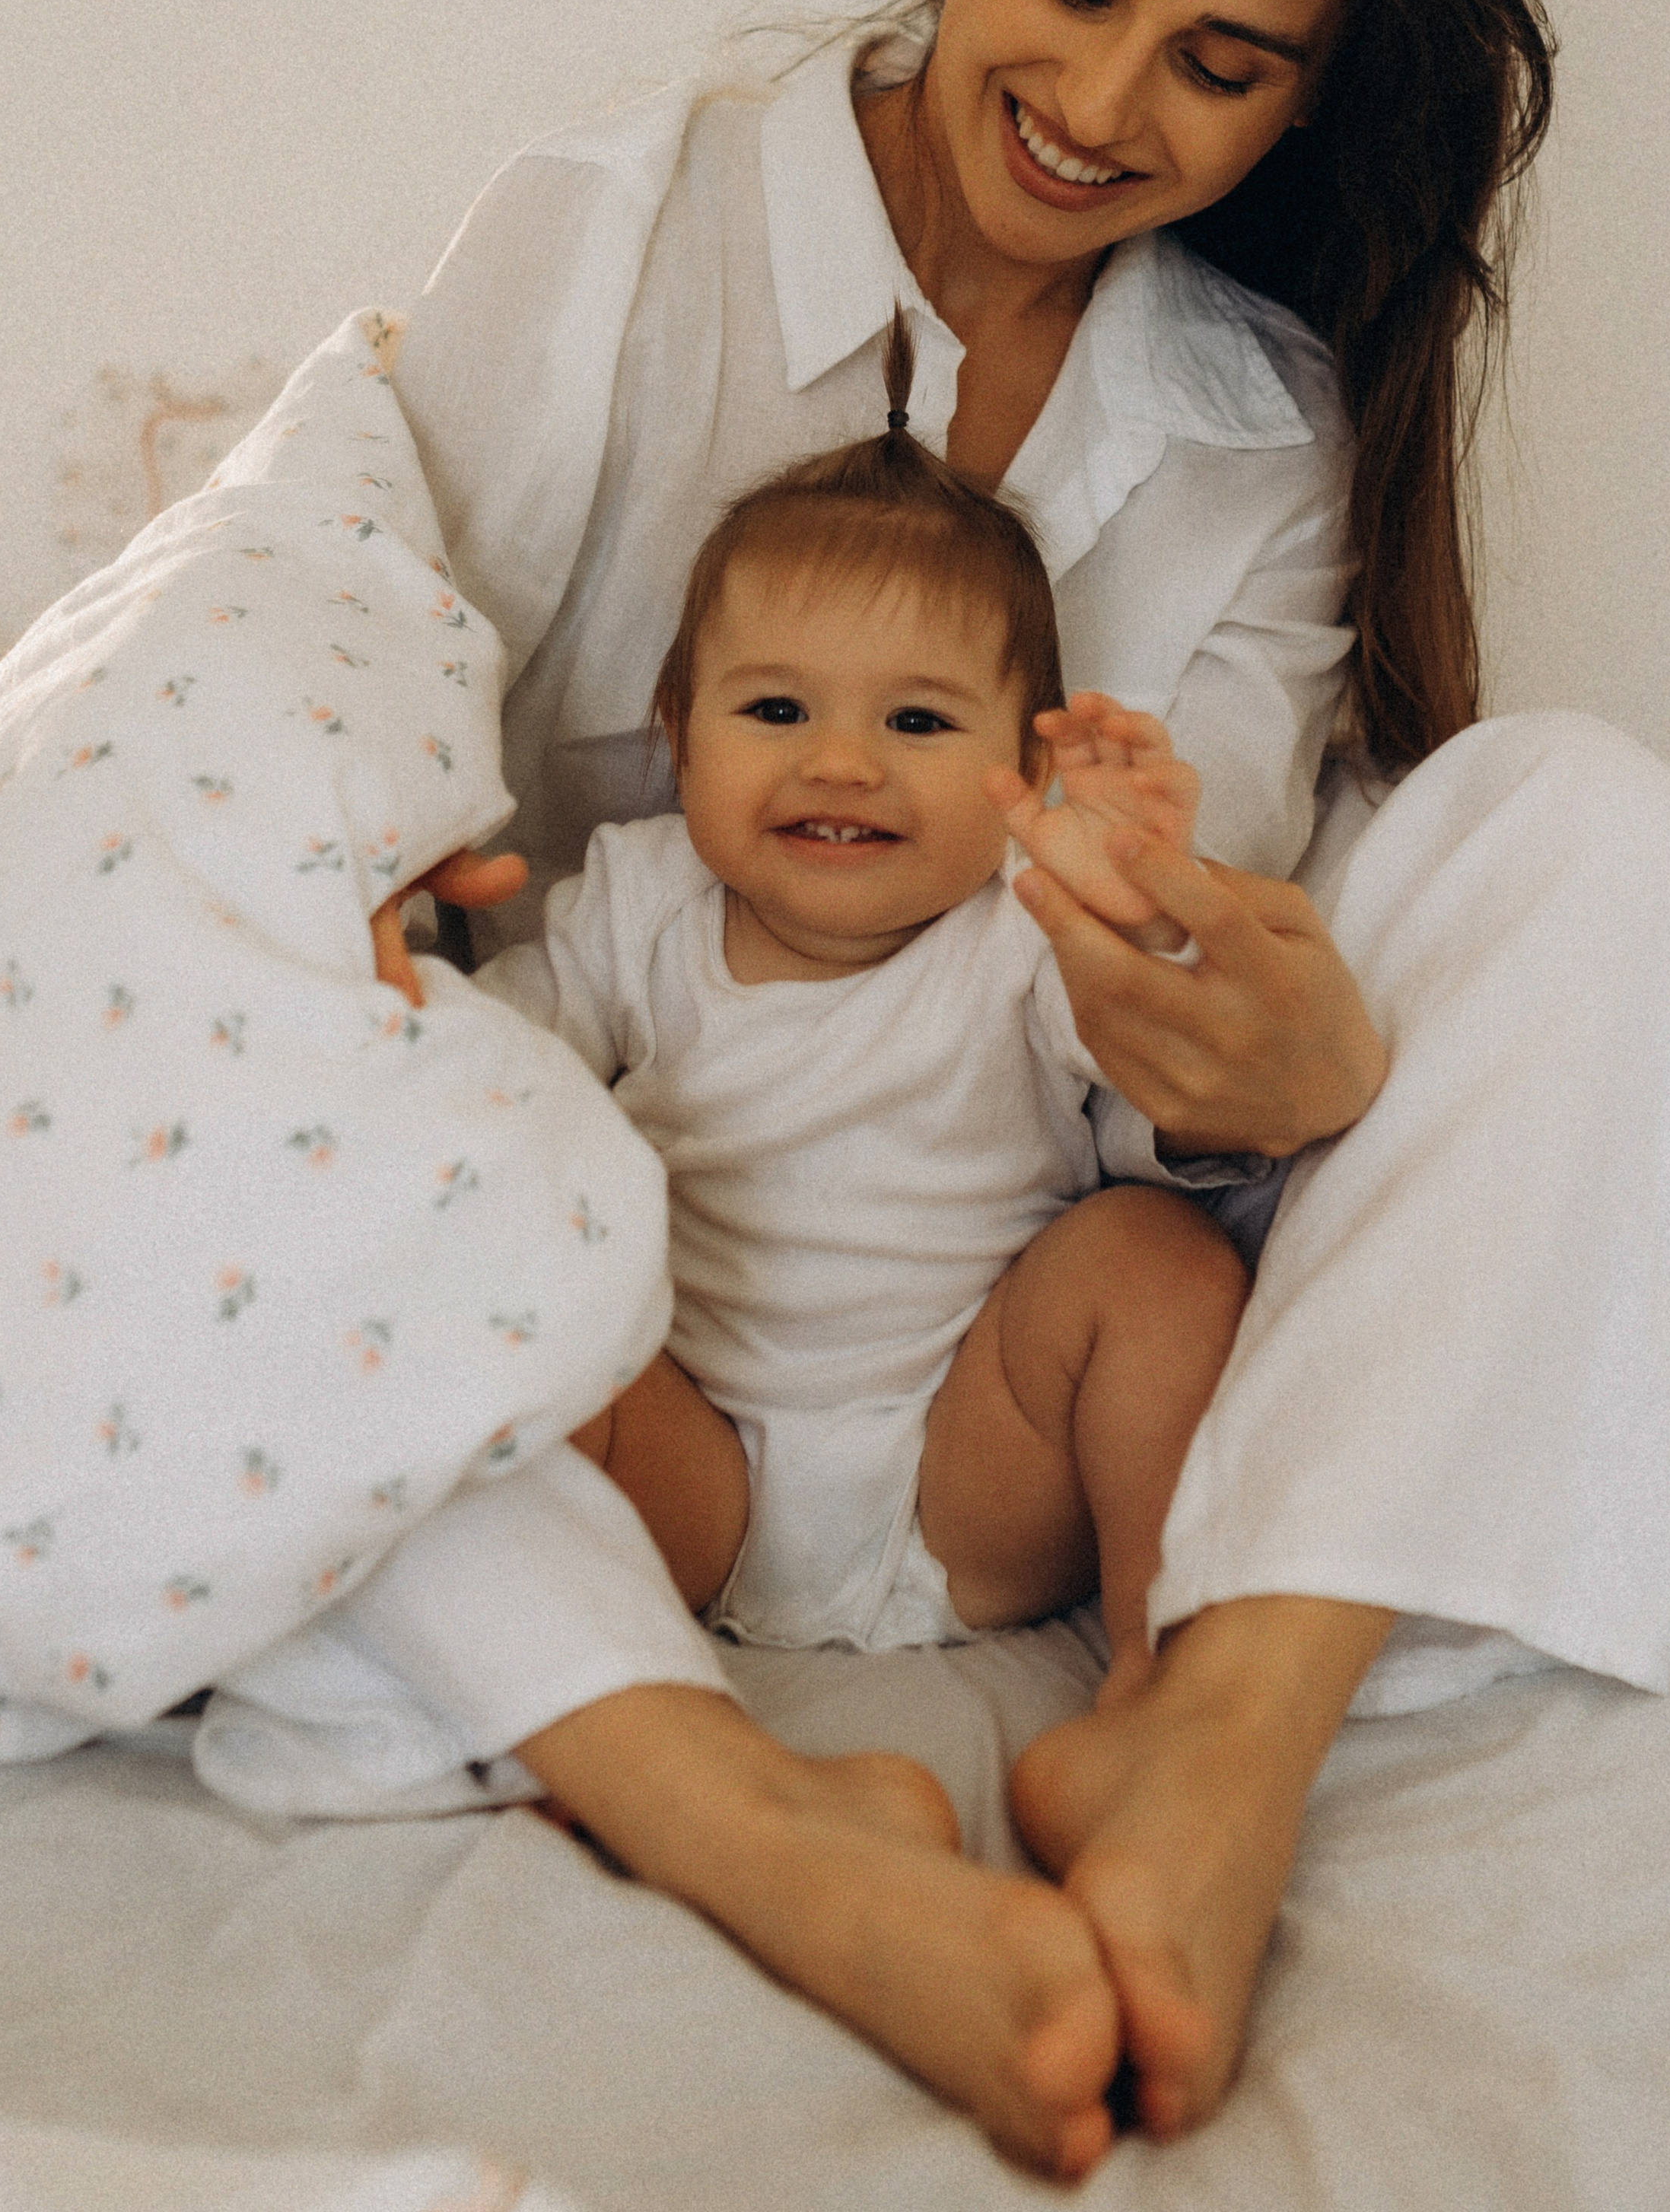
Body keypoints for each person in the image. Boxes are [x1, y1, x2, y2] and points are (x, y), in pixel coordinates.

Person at [379, 0, 1670, 2179]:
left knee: (1587, 820)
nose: (1105, 103)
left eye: (1225, 62)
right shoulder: (610, 234)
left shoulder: (1259, 419)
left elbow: (1154, 1033)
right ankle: (734, 1815)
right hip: (600, 1229)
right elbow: (376, 710)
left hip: (1015, 1264)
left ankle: (1224, 1708)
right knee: (285, 1163)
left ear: (1312, 99)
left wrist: (1289, 1067)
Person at [466, 345, 1250, 1691]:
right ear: (681, 733)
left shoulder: (1026, 927)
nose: (843, 762)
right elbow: (476, 1079)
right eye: (775, 709)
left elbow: (1176, 1074)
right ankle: (568, 1676)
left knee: (1159, 1265)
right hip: (688, 1462)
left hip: (975, 1468)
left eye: (919, 722)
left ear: (1027, 767)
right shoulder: (635, 904)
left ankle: (1158, 1665)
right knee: (494, 1295)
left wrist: (1150, 910)